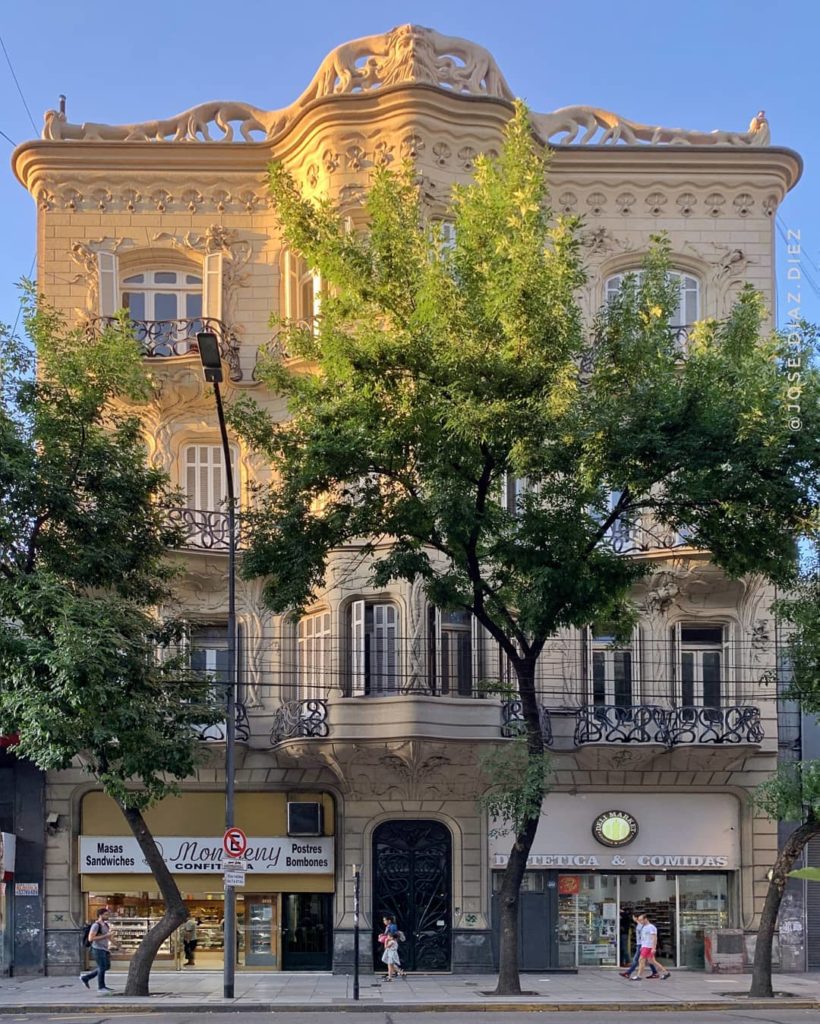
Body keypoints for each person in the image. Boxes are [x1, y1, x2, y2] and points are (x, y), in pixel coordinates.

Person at [80, 907, 117, 994]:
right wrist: (105, 936)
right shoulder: (96, 925)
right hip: (97, 949)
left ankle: (86, 978)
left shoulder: (106, 925)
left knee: (106, 967)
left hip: (104, 949)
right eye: (106, 914)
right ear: (100, 915)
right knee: (102, 967)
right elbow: (91, 938)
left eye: (108, 914)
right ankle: (101, 987)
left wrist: (118, 945)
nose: (107, 916)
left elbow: (109, 937)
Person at [631, 912, 671, 981]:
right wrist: (642, 947)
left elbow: (654, 938)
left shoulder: (651, 927)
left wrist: (653, 948)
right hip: (645, 946)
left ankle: (639, 976)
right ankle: (666, 973)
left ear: (645, 919)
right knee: (652, 961)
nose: (640, 921)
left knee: (641, 960)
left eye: (641, 920)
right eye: (639, 920)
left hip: (648, 947)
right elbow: (644, 938)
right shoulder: (644, 927)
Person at [620, 912, 659, 979]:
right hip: (641, 944)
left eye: (633, 917)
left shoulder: (641, 925)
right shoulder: (640, 924)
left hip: (641, 945)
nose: (632, 918)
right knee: (648, 960)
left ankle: (628, 973)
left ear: (635, 917)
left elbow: (644, 934)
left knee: (636, 959)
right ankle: (655, 972)